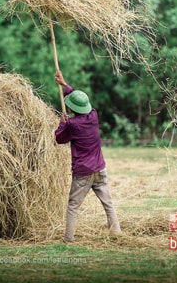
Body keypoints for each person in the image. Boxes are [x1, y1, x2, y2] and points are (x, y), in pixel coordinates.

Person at [54, 70, 121, 242]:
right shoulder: (94, 115)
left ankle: (68, 239)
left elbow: (59, 139)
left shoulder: (72, 125)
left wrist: (62, 123)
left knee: (73, 206)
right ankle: (116, 233)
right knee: (108, 203)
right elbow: (78, 101)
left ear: (71, 109)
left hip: (83, 172)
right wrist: (65, 84)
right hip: (99, 168)